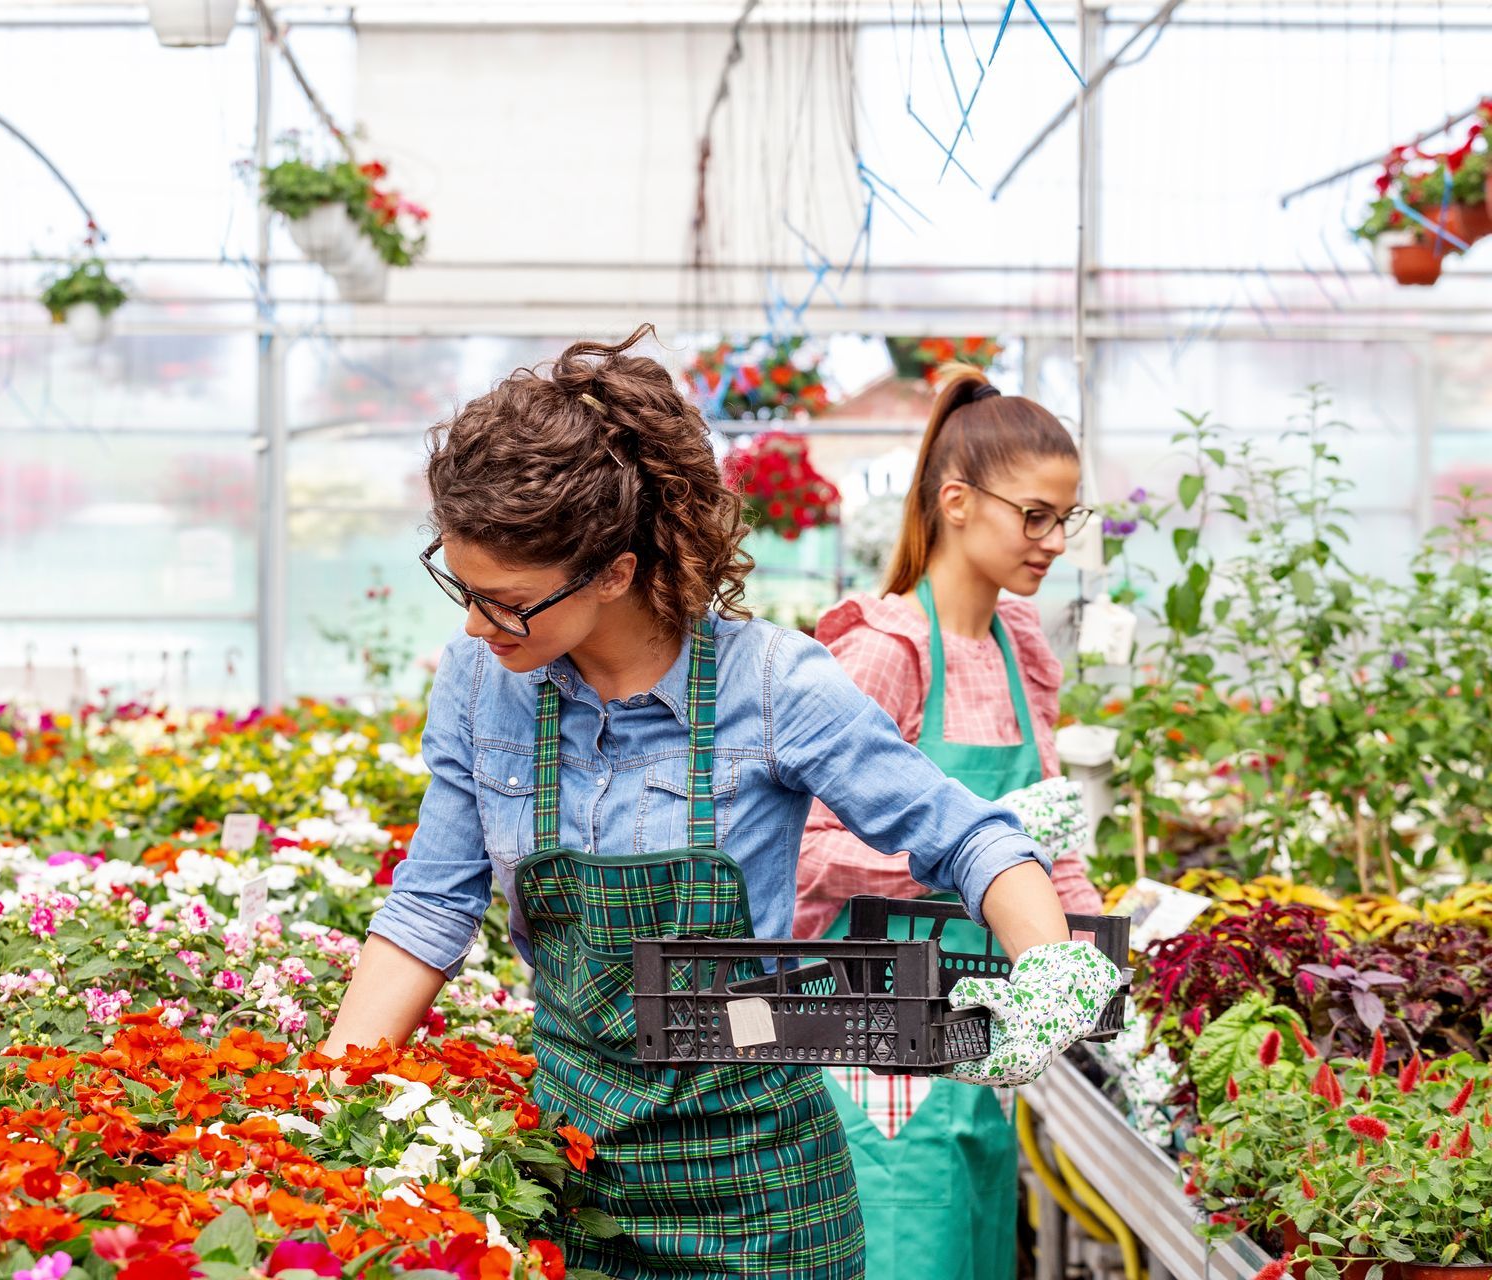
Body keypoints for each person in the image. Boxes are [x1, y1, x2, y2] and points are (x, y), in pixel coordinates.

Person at [321, 328, 1122, 1280]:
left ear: (613, 574)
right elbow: (429, 908)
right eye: (463, 586)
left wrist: (1048, 967)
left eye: (505, 601)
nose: (473, 622)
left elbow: (966, 835)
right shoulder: (479, 683)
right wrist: (327, 1101)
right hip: (570, 1185)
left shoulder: (774, 685)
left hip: (764, 1204)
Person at [793, 366, 1107, 1280]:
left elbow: (1047, 846)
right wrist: (961, 859)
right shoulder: (884, 653)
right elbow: (806, 854)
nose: (1052, 540)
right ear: (959, 502)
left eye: (1066, 517)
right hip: (876, 1050)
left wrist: (1089, 951)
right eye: (1035, 515)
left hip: (982, 1037)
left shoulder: (1022, 651)